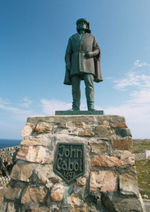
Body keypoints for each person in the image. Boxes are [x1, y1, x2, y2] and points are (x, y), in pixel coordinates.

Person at [64, 18, 103, 111]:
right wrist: (68, 63)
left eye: (83, 23)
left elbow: (98, 50)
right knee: (75, 88)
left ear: (87, 26)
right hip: (75, 63)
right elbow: (68, 53)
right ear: (77, 26)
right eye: (79, 23)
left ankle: (91, 107)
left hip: (88, 63)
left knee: (89, 85)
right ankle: (75, 107)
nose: (81, 24)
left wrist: (91, 53)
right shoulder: (72, 38)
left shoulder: (92, 37)